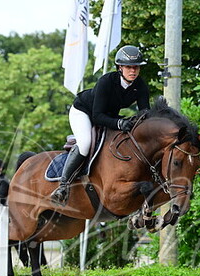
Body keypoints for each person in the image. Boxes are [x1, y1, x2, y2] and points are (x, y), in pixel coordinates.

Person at [51, 45, 151, 207]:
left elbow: (145, 113)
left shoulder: (140, 85)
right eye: (129, 67)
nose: (133, 71)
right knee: (85, 143)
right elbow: (97, 116)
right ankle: (63, 186)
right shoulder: (106, 81)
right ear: (120, 67)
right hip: (84, 112)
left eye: (136, 67)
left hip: (108, 115)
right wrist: (119, 123)